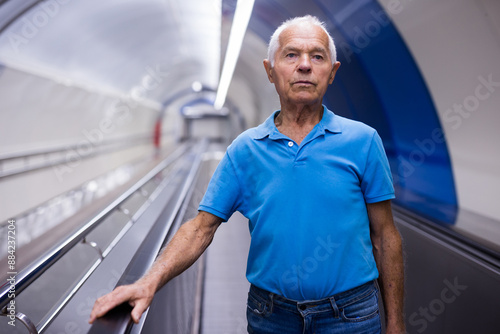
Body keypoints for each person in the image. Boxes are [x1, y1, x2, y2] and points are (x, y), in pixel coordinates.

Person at [90, 15, 405, 333]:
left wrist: (395, 322)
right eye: (291, 54)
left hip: (350, 316)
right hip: (271, 316)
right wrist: (149, 281)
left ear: (332, 72)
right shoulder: (245, 150)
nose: (305, 66)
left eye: (318, 56)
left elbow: (384, 235)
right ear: (270, 70)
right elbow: (201, 228)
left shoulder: (363, 141)